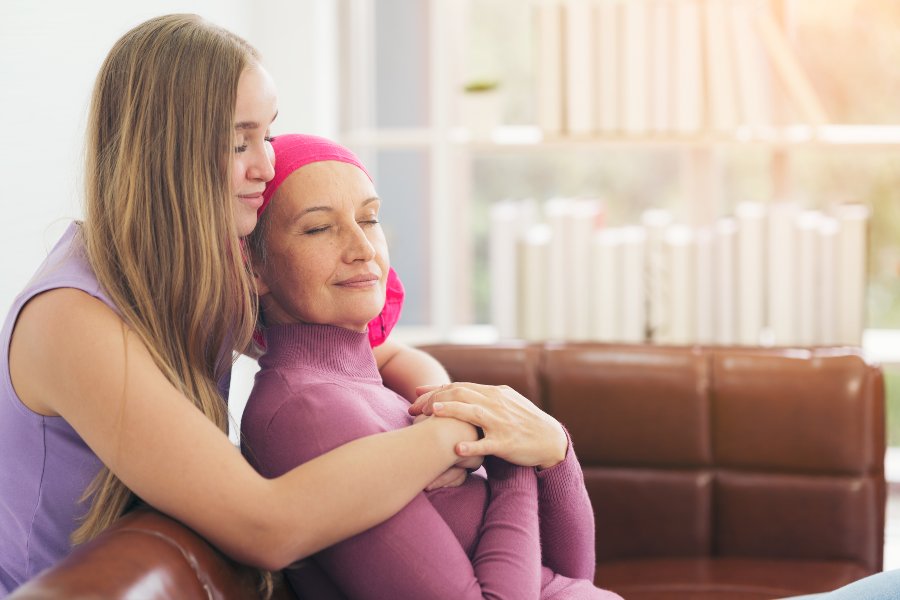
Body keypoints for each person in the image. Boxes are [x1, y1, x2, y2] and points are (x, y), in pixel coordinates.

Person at [0, 14, 572, 597]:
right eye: (237, 142)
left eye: (266, 135)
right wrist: (453, 437)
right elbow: (266, 526)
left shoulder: (193, 275)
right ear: (162, 154)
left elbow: (386, 353)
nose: (266, 166)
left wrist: (434, 402)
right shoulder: (70, 321)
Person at [242, 133, 621, 599]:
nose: (363, 248)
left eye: (369, 218)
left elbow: (569, 576)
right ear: (254, 268)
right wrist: (509, 460)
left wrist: (554, 451)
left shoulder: (370, 386)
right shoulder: (309, 413)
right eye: (319, 228)